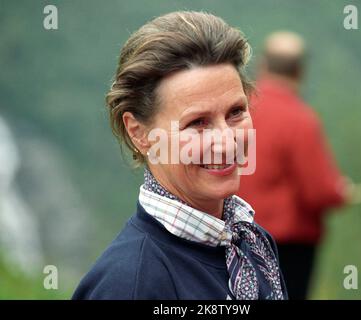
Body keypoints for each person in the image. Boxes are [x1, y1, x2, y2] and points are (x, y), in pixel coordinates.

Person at [72, 11, 287, 300]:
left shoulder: (252, 242)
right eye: (197, 122)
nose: (227, 142)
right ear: (138, 132)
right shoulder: (130, 284)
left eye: (236, 112)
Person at [237, 31, 349, 299]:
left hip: (236, 237)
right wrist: (341, 190)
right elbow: (320, 192)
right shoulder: (300, 120)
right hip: (286, 248)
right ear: (300, 71)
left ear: (263, 65)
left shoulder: (239, 112)